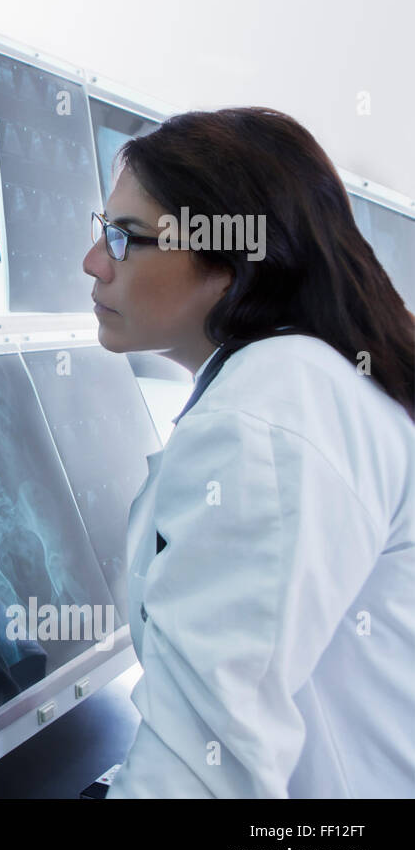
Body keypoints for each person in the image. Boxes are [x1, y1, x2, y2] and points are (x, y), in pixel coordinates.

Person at [84, 106, 415, 798]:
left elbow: (204, 766)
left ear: (231, 265)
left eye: (124, 239)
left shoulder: (271, 408)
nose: (93, 263)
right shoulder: (318, 378)